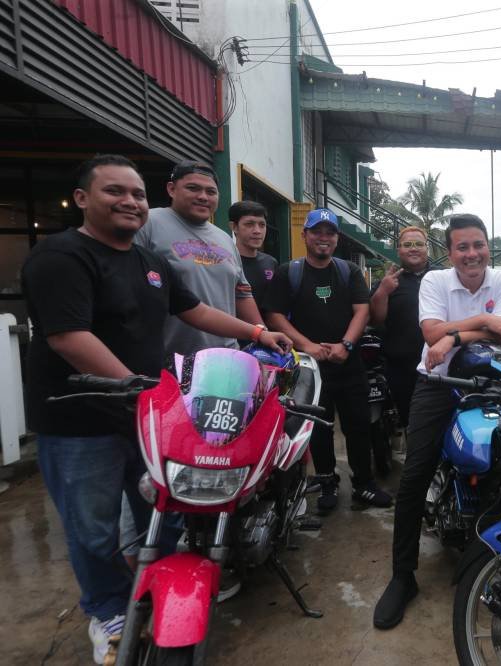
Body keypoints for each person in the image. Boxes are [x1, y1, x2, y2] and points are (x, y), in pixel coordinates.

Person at [21, 155, 291, 665]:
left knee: (164, 512)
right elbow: (69, 337)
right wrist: (137, 388)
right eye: (114, 192)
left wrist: (256, 333)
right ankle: (107, 609)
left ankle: (159, 589)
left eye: (136, 194)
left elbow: (194, 310)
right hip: (79, 421)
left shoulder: (148, 264)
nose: (129, 202)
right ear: (82, 198)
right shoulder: (61, 256)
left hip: (145, 417)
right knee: (93, 529)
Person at [373, 214, 501, 630]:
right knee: (415, 473)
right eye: (462, 247)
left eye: (478, 245)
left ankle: (496, 552)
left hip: (492, 384)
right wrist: (482, 324)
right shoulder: (435, 282)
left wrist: (454, 337)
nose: (471, 254)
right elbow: (429, 331)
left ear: (488, 247)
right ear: (450, 252)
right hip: (436, 383)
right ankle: (403, 574)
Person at [262, 208, 392, 513]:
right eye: (317, 232)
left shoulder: (349, 271)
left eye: (330, 233)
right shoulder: (288, 272)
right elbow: (274, 315)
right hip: (309, 369)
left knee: (359, 426)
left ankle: (364, 484)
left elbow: (363, 310)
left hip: (349, 364)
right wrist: (306, 345)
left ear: (336, 239)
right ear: (305, 235)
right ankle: (326, 481)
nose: (323, 238)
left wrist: (346, 344)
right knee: (318, 427)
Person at [135, 160, 264, 356]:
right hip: (169, 359)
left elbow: (242, 294)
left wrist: (262, 335)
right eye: (193, 188)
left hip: (225, 358)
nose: (203, 197)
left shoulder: (225, 239)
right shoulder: (147, 223)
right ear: (171, 189)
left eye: (211, 192)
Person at [369, 226, 434, 431]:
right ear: (398, 250)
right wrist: (383, 291)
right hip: (401, 367)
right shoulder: (388, 281)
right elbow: (376, 319)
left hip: (439, 363)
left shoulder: (443, 277)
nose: (413, 249)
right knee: (410, 420)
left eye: (418, 244)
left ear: (427, 248)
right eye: (407, 245)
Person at [229, 200, 278, 309]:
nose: (257, 231)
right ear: (234, 227)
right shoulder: (225, 262)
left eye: (262, 225)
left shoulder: (271, 262)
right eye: (249, 224)